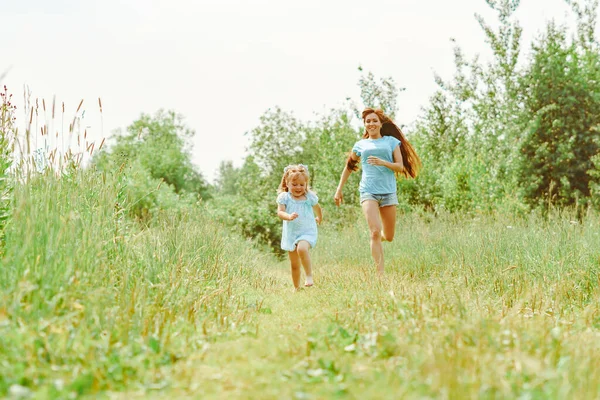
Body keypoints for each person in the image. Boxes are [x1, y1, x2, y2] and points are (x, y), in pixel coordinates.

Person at [334, 108, 421, 274]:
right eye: (368, 121)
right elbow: (349, 167)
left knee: (388, 236)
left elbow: (400, 166)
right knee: (374, 232)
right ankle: (380, 275)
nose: (371, 124)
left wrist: (383, 162)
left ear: (381, 124)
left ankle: (378, 238)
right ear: (365, 125)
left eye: (374, 121)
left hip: (388, 192)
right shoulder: (360, 145)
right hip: (368, 191)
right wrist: (339, 189)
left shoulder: (391, 142)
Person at [277, 164, 323, 290]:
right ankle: (296, 288)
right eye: (295, 184)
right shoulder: (284, 197)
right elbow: (280, 212)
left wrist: (319, 217)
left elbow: (318, 208)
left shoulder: (309, 197)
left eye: (302, 185)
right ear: (287, 183)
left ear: (306, 184)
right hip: (292, 233)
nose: (298, 187)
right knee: (294, 264)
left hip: (307, 231)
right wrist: (288, 216)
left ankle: (309, 276)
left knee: (302, 249)